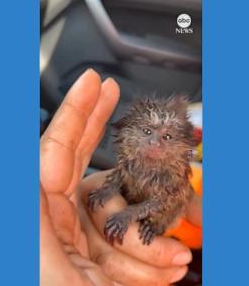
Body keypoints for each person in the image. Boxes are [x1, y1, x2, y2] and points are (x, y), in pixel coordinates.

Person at [40, 69, 201, 286]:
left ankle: (151, 227)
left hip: (159, 214)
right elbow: (120, 176)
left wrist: (127, 215)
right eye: (147, 131)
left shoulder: (174, 172)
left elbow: (160, 201)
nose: (156, 142)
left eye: (167, 137)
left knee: (160, 217)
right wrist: (107, 190)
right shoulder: (129, 159)